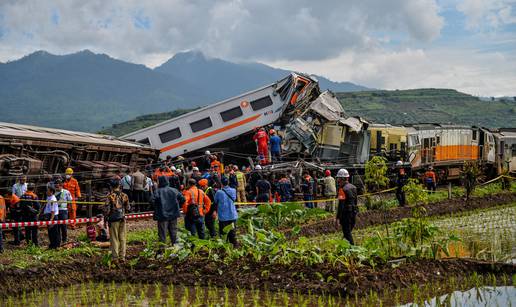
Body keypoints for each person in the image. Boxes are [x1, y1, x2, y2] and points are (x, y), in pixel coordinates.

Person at [151, 176, 185, 245]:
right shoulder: (174, 190)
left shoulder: (158, 191)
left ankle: (162, 250)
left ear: (160, 182)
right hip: (174, 214)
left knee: (162, 233)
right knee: (173, 232)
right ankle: (175, 248)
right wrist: (176, 205)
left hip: (162, 215)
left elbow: (151, 200)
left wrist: (157, 207)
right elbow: (183, 199)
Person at [104, 180, 130, 261]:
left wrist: (105, 219)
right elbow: (128, 208)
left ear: (111, 187)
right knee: (122, 238)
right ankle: (122, 256)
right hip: (122, 218)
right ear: (119, 186)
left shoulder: (110, 196)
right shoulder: (124, 195)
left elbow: (106, 210)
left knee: (114, 238)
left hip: (113, 219)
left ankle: (115, 257)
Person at [335, 169, 358, 245]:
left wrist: (337, 218)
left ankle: (353, 249)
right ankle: (342, 248)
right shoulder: (353, 187)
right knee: (347, 234)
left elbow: (341, 205)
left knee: (347, 234)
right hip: (353, 213)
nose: (338, 181)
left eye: (338, 179)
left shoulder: (342, 190)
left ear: (342, 179)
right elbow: (355, 201)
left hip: (346, 215)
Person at [214, 176, 238, 246]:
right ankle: (234, 246)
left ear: (221, 183)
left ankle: (225, 247)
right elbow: (234, 198)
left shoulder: (219, 192)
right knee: (233, 232)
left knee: (223, 233)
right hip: (233, 215)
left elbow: (215, 202)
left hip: (223, 216)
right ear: (228, 182)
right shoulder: (233, 190)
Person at [54, 180, 72, 244]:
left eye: (57, 186)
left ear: (61, 186)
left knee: (63, 226)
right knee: (57, 226)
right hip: (55, 211)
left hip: (63, 210)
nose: (56, 188)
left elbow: (70, 201)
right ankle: (58, 240)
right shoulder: (53, 192)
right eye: (55, 186)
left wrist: (69, 209)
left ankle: (64, 239)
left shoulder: (66, 192)